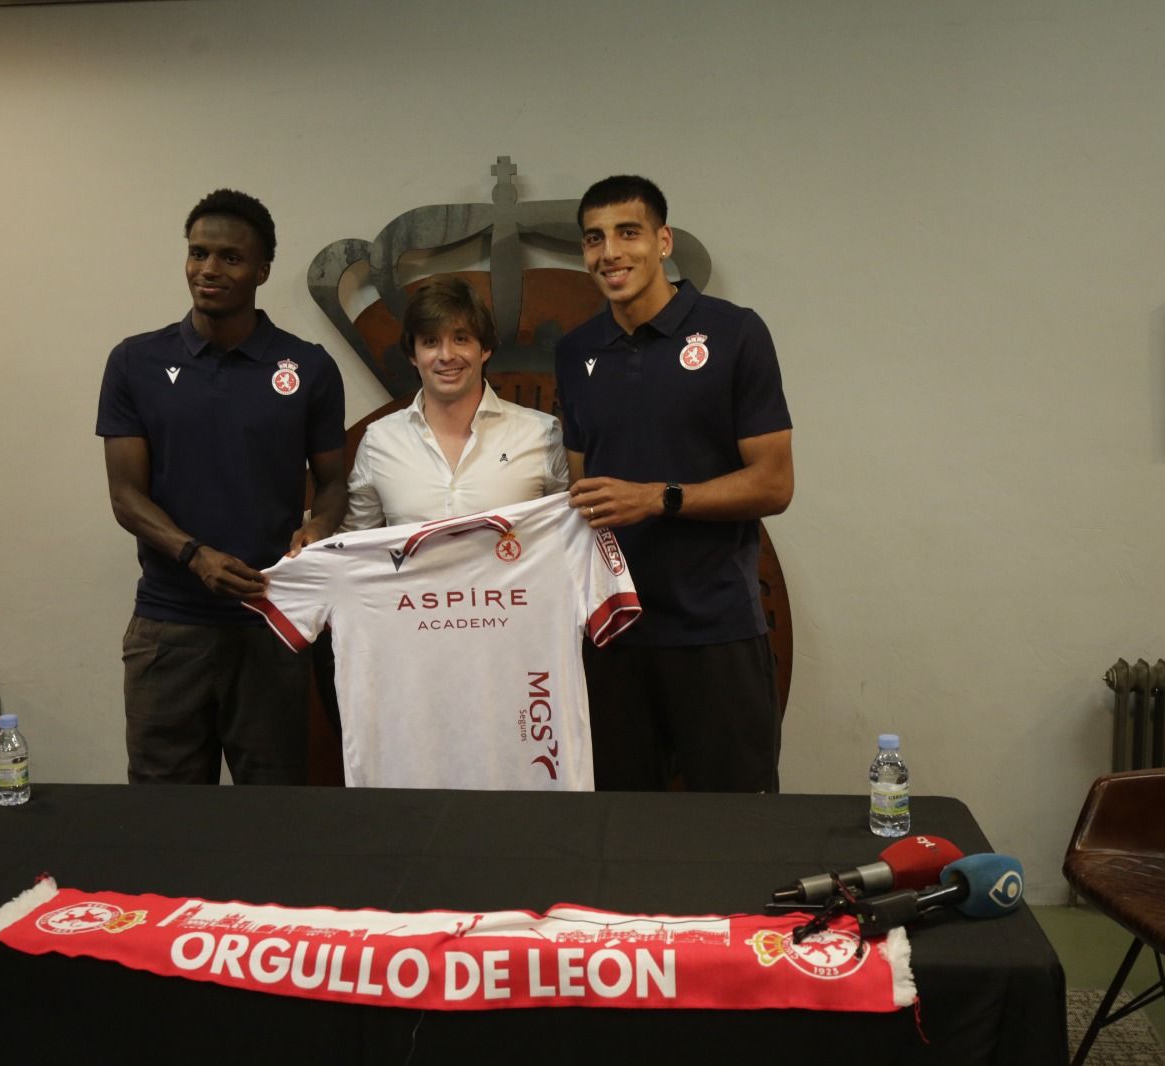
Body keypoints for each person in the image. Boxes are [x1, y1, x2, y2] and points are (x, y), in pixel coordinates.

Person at [97, 188, 347, 786]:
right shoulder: (135, 361)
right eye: (198, 253)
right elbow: (125, 496)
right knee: (165, 816)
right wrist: (194, 555)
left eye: (230, 258)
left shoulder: (308, 367)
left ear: (262, 270)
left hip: (269, 622)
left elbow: (335, 481)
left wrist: (317, 528)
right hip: (168, 628)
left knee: (271, 814)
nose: (209, 269)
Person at [554, 174, 794, 793]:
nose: (610, 253)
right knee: (620, 835)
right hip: (613, 636)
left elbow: (775, 484)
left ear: (663, 241)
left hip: (713, 629)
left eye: (628, 233)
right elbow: (584, 493)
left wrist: (658, 498)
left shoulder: (735, 332)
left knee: (735, 828)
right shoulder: (576, 350)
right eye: (594, 239)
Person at [341, 274, 567, 530]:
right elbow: (355, 547)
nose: (446, 355)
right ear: (412, 355)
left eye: (460, 339)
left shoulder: (542, 435)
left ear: (485, 349)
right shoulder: (378, 442)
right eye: (430, 342)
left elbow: (569, 537)